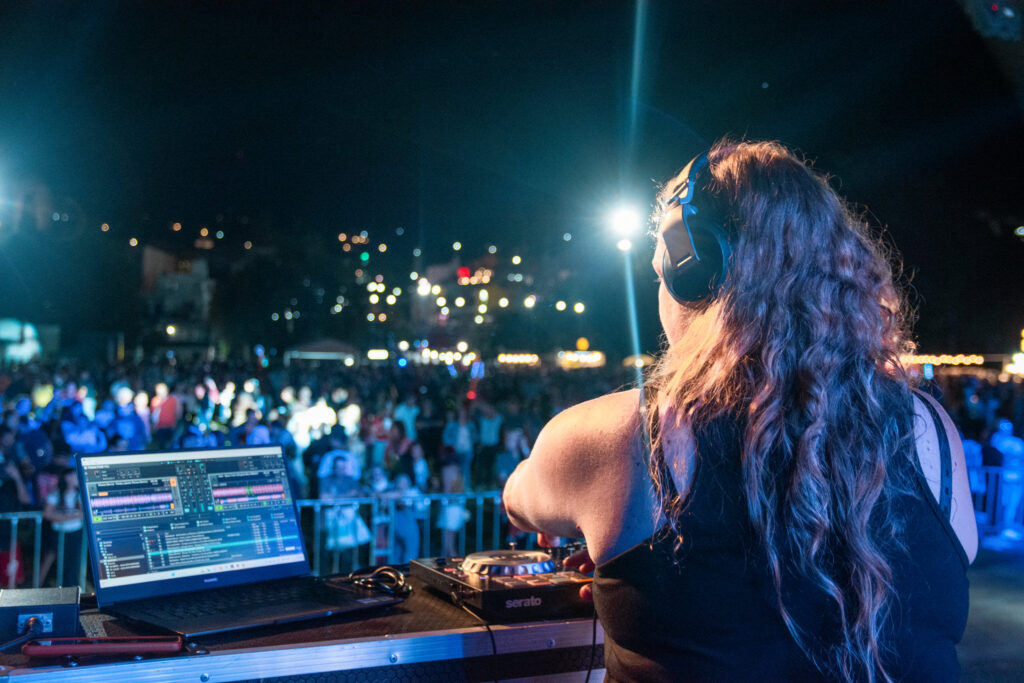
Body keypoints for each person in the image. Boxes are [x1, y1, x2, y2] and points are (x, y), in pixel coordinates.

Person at [503, 140, 977, 682]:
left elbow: (518, 500)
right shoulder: (932, 432)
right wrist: (629, 556)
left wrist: (620, 527)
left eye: (660, 276)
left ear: (690, 275)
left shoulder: (624, 435)